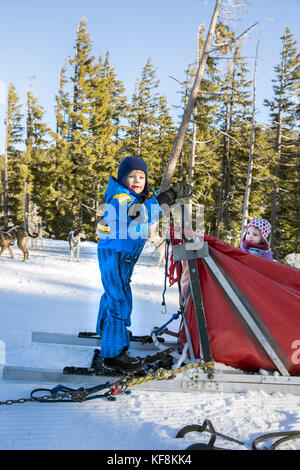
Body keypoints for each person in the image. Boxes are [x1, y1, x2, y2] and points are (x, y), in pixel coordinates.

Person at [96, 156, 193, 372]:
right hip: (116, 255)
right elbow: (137, 214)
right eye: (131, 176)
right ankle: (113, 354)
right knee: (119, 299)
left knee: (113, 294)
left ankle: (107, 331)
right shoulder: (120, 198)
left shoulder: (133, 197)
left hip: (121, 256)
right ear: (122, 179)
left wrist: (164, 199)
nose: (136, 180)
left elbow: (146, 213)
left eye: (141, 176)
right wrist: (166, 197)